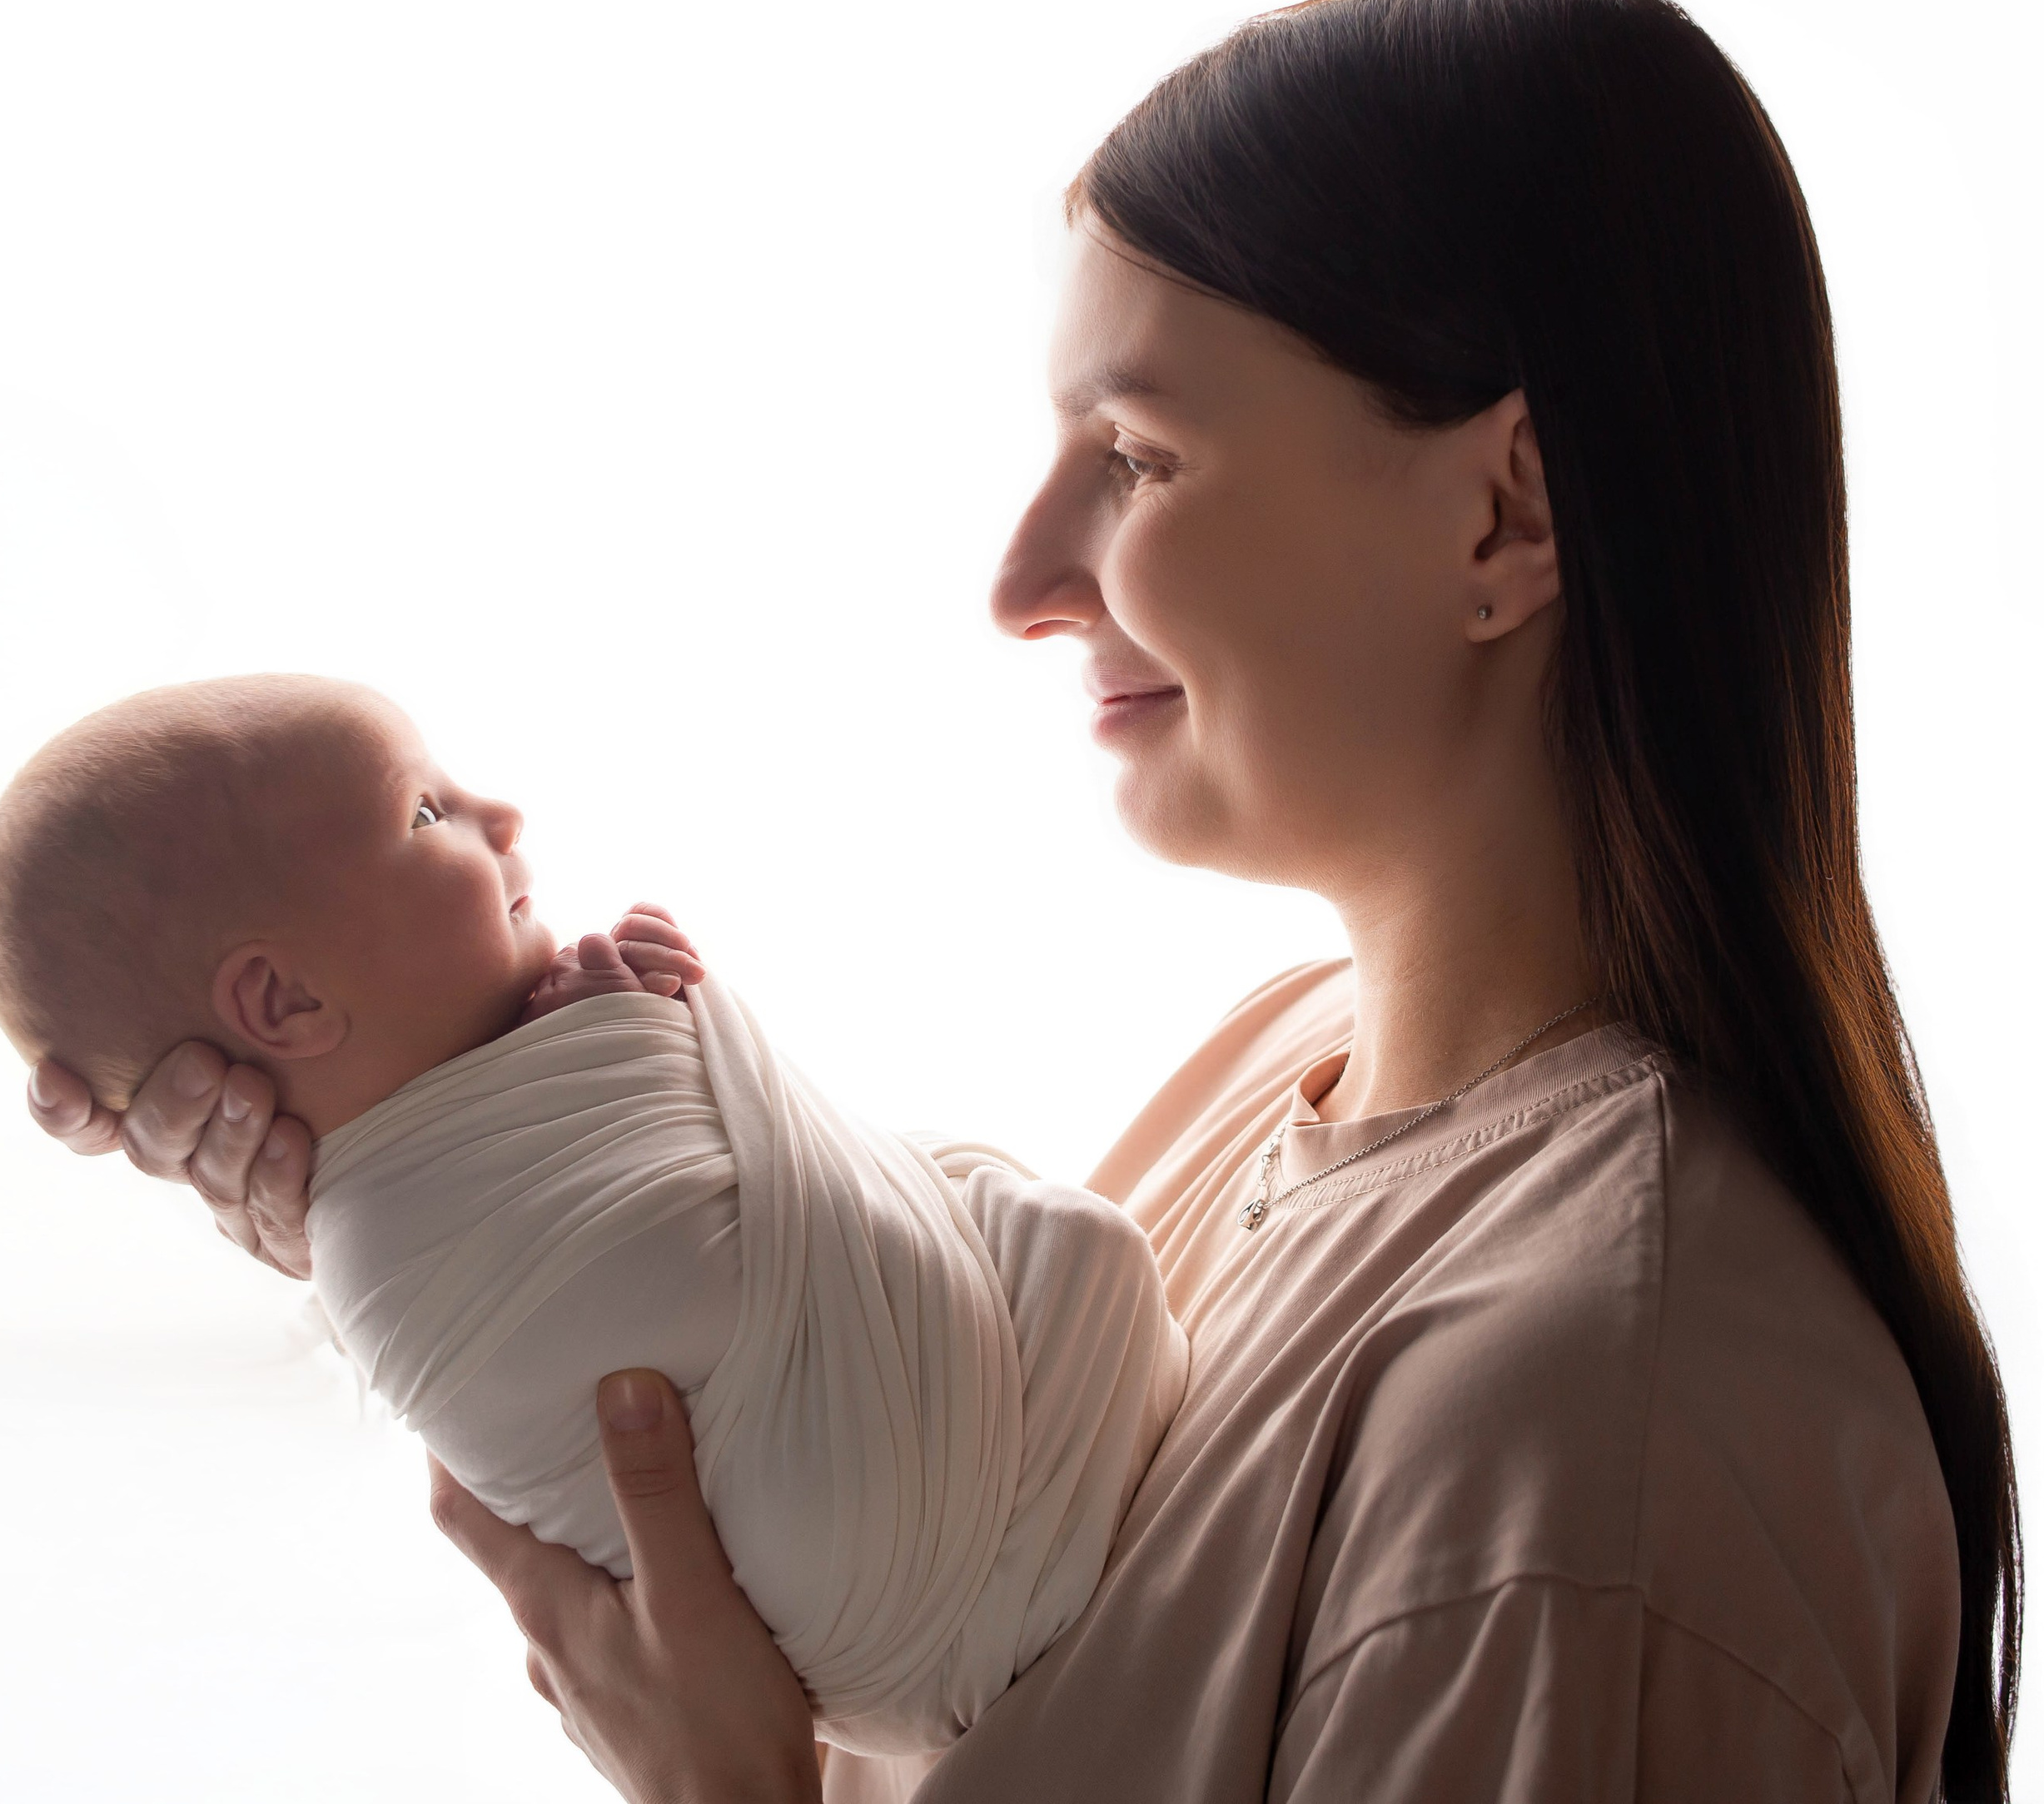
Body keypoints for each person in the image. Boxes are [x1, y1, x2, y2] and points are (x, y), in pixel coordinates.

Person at [27, 0, 2022, 1802]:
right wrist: (423, 1174)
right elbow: (893, 1499)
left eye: (1136, 456)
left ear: (1503, 512)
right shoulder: (1301, 1060)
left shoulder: (1605, 1447)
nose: (1017, 576)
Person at [0, 675, 1184, 1754]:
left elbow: (733, 1210)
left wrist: (651, 1029)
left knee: (1048, 1237)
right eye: (425, 814)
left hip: (947, 1581)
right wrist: (647, 1032)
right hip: (906, 1588)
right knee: (1065, 1243)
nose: (500, 815)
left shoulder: (466, 1156)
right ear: (286, 998)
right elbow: (658, 1274)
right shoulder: (377, 1251)